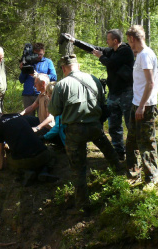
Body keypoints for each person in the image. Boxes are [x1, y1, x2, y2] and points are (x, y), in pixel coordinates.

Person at [48, 54, 122, 214]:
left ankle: (83, 205)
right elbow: (103, 102)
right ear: (78, 65)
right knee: (108, 150)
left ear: (63, 68)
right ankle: (121, 175)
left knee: (78, 168)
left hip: (74, 130)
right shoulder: (93, 79)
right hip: (95, 125)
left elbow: (54, 110)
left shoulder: (61, 85)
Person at [64, 30, 134, 160]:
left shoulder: (125, 51)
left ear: (115, 40)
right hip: (113, 94)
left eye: (108, 39)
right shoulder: (112, 51)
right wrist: (74, 41)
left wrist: (101, 57)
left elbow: (112, 64)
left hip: (126, 93)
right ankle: (119, 151)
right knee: (114, 125)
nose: (106, 42)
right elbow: (93, 48)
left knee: (131, 124)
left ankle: (133, 152)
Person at [125, 25, 158, 186]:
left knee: (146, 143)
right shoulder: (140, 55)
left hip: (144, 107)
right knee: (131, 140)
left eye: (128, 40)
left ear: (132, 39)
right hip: (136, 104)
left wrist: (141, 106)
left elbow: (150, 83)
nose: (129, 44)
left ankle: (151, 178)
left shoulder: (145, 55)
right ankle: (134, 172)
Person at [0, 110, 59, 186]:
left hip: (25, 161)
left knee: (9, 160)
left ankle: (26, 172)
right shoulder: (18, 115)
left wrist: (1, 167)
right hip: (42, 154)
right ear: (1, 114)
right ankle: (45, 170)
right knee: (51, 153)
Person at [19, 43, 57, 116]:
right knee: (28, 119)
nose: (39, 56)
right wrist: (23, 70)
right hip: (28, 95)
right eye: (36, 54)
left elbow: (54, 77)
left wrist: (39, 76)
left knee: (43, 117)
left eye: (41, 54)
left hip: (42, 94)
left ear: (44, 52)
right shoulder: (28, 62)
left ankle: (40, 128)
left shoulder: (48, 62)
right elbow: (21, 80)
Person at [41, 82, 66, 147]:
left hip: (70, 142)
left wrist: (44, 137)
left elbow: (58, 127)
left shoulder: (60, 108)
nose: (49, 98)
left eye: (49, 96)